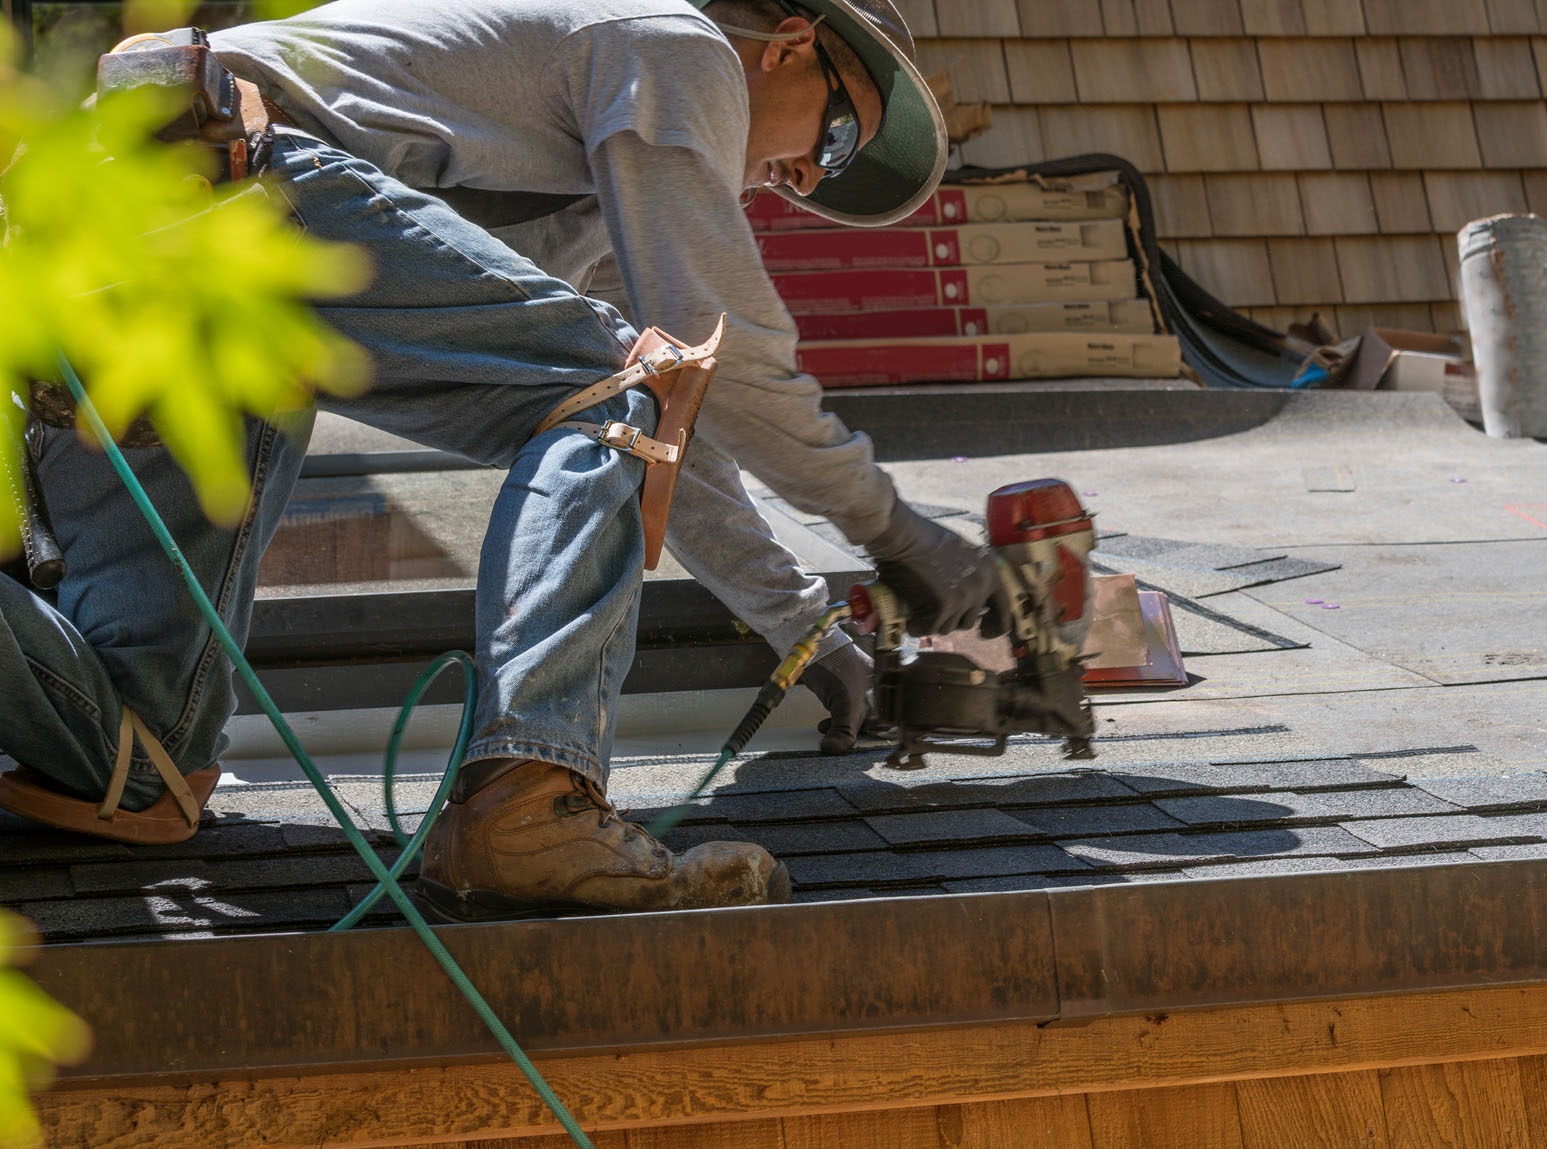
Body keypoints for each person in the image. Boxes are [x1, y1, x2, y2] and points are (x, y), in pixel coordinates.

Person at [0, 0, 1002, 921]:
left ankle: (518, 800)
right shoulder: (675, 43)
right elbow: (696, 364)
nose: (798, 179)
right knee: (622, 379)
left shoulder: (562, 200)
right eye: (830, 138)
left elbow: (651, 428)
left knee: (140, 773)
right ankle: (530, 801)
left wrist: (804, 630)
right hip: (217, 179)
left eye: (821, 178)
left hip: (100, 244)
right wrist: (897, 531)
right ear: (785, 46)